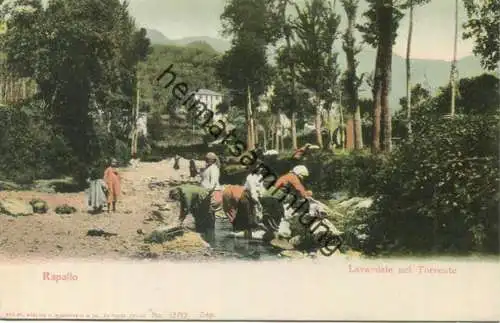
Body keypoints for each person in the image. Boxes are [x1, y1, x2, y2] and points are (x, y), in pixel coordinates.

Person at [261, 165, 312, 238]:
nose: (303, 178)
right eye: (302, 176)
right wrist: (307, 194)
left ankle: (269, 235)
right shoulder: (293, 177)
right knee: (278, 216)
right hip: (274, 198)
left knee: (273, 217)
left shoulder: (286, 176)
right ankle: (276, 236)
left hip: (268, 196)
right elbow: (300, 189)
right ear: (298, 173)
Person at [200, 152, 223, 217]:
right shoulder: (208, 168)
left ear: (212, 160)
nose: (206, 160)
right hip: (209, 193)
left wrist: (208, 192)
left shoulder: (214, 168)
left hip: (214, 192)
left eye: (208, 159)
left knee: (212, 213)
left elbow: (213, 183)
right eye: (206, 159)